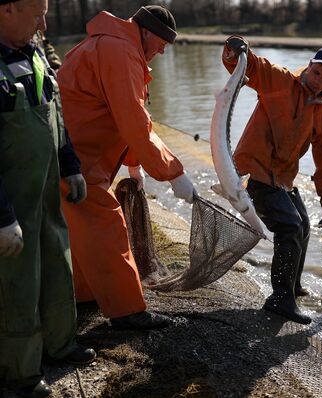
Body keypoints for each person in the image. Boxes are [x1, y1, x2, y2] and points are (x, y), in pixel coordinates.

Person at [56, 5, 196, 330]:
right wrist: (173, 173)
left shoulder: (115, 44)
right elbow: (133, 118)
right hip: (76, 158)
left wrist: (134, 163)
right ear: (145, 31)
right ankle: (127, 311)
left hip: (73, 154)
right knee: (108, 226)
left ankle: (86, 295)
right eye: (161, 42)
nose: (162, 50)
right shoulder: (120, 50)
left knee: (82, 230)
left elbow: (119, 114)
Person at [0, 0, 96, 396]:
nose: (45, 23)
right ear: (6, 10)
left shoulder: (34, 51)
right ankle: (20, 373)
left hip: (46, 193)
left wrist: (70, 163)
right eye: (36, 14)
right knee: (17, 282)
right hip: (11, 203)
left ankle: (60, 345)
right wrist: (2, 217)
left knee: (58, 260)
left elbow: (55, 114)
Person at [222, 37, 322, 325]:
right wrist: (234, 50)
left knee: (303, 223)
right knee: (289, 225)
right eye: (317, 72)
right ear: (310, 65)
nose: (318, 80)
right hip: (251, 172)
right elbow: (250, 65)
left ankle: (293, 287)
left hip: (282, 179)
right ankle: (280, 299)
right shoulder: (280, 81)